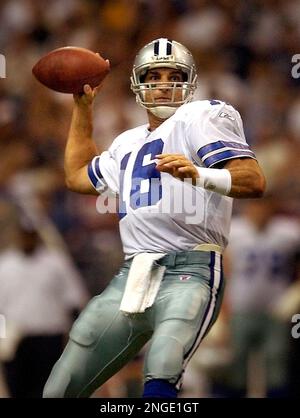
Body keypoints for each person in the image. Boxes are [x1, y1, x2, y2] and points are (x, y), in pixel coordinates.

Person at [43, 38, 265, 398]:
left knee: (163, 362)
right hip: (132, 274)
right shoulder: (126, 142)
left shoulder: (203, 116)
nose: (163, 83)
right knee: (62, 382)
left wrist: (198, 173)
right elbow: (77, 175)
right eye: (154, 74)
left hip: (191, 270)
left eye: (173, 74)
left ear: (189, 81)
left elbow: (253, 180)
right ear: (138, 83)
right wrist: (83, 108)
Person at [0, 220, 89, 398]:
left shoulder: (56, 262)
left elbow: (74, 300)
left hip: (50, 337)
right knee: (18, 389)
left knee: (49, 389)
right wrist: (2, 339)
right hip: (17, 339)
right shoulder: (5, 265)